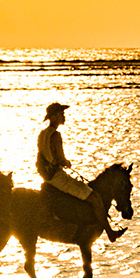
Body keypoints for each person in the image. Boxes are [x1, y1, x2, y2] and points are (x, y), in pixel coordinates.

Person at [36, 102, 126, 242]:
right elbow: (60, 159)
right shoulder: (56, 135)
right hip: (58, 177)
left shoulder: (42, 134)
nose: (64, 116)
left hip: (48, 177)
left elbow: (43, 155)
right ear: (53, 117)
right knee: (95, 198)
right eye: (61, 114)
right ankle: (110, 232)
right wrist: (67, 163)